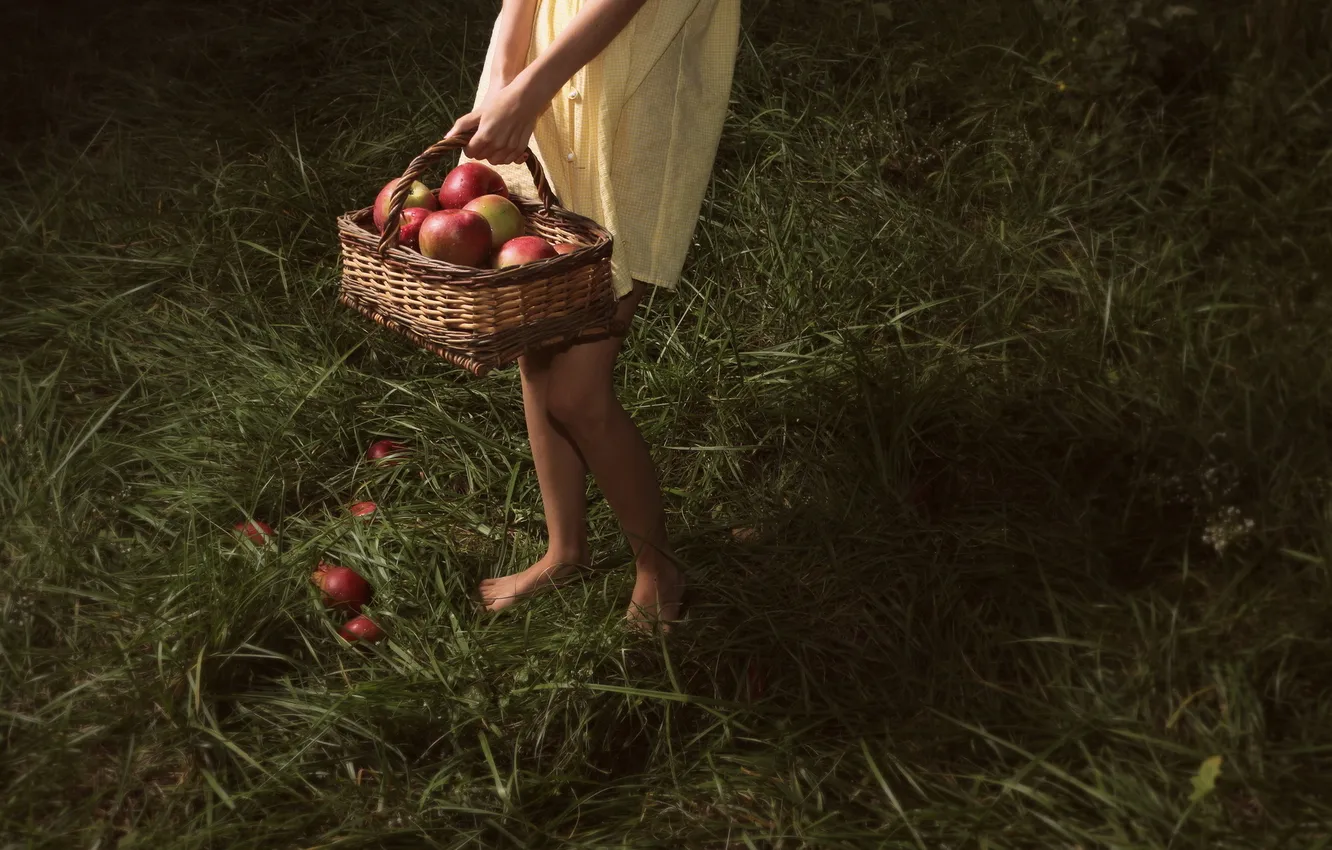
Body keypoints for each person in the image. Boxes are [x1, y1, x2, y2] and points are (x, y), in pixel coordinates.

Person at [447, 0, 741, 629]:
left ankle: (659, 568)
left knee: (577, 393)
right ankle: (566, 550)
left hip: (630, 99)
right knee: (538, 346)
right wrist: (503, 81)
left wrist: (531, 87)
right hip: (545, 88)